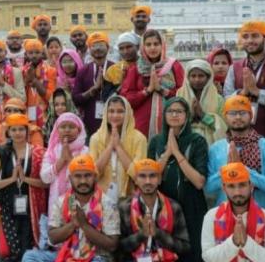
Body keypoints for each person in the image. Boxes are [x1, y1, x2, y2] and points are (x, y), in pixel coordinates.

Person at [22, 155, 120, 262]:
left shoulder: (107, 203)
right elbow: (52, 238)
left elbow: (112, 245)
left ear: (95, 177)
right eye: (77, 176)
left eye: (88, 175)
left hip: (95, 257)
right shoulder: (63, 201)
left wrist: (84, 225)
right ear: (70, 178)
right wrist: (73, 224)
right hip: (66, 254)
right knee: (30, 257)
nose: (83, 181)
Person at [147, 97, 208, 262]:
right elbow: (150, 180)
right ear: (165, 114)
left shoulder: (197, 141)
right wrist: (167, 154)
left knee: (192, 253)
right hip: (163, 207)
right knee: (165, 253)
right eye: (170, 111)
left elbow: (199, 181)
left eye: (179, 111)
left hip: (191, 206)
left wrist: (177, 153)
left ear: (187, 115)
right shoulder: (156, 142)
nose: (174, 115)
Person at [205, 95, 265, 214]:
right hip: (225, 216)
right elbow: (208, 188)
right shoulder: (216, 148)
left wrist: (244, 170)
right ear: (225, 117)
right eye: (232, 113)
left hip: (260, 215)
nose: (238, 117)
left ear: (251, 116)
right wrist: (226, 171)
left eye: (243, 113)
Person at [0, 113, 48, 262]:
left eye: (21, 129)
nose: (18, 133)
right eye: (14, 130)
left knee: (27, 250)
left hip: (32, 207)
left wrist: (25, 179)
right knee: (8, 252)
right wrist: (12, 179)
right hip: (8, 205)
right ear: (8, 132)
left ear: (27, 131)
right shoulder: (2, 152)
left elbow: (45, 183)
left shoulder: (38, 152)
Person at [200, 162, 265, 262]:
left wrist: (247, 244)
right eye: (231, 186)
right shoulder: (211, 217)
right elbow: (207, 257)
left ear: (251, 186)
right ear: (224, 188)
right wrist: (233, 243)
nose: (237, 192)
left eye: (242, 185)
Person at [224, 21, 265, 150]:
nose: (250, 40)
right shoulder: (235, 67)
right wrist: (242, 93)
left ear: (264, 38)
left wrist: (257, 92)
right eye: (246, 37)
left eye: (255, 36)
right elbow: (226, 98)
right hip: (240, 137)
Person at [119, 159, 191, 261]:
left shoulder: (174, 207)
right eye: (142, 176)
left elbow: (185, 247)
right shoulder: (124, 207)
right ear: (135, 180)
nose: (148, 181)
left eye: (152, 176)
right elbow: (118, 247)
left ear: (159, 179)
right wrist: (141, 235)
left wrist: (158, 234)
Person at [121, 29, 184, 139]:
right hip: (141, 126)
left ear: (162, 45)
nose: (152, 48)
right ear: (142, 47)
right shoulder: (136, 69)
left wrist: (162, 90)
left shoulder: (173, 66)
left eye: (156, 44)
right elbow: (127, 99)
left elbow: (183, 95)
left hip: (171, 124)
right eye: (148, 44)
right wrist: (148, 90)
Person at [89, 95, 147, 200]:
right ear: (105, 114)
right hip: (101, 199)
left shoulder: (139, 139)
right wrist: (110, 146)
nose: (115, 115)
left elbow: (138, 175)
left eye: (120, 111)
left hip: (129, 199)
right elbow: (92, 175)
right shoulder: (96, 138)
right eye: (111, 111)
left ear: (128, 113)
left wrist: (119, 147)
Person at [40, 112, 88, 208]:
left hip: (79, 200)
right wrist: (61, 160)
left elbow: (87, 178)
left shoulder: (85, 151)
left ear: (79, 130)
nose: (67, 130)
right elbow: (45, 178)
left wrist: (70, 159)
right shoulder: (52, 151)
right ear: (57, 130)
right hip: (56, 202)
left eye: (71, 127)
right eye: (63, 127)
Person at [73, 32, 115, 136]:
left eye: (101, 45)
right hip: (90, 123)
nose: (97, 48)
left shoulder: (116, 69)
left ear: (108, 47)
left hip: (113, 121)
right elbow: (75, 98)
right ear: (89, 49)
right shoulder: (83, 71)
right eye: (94, 46)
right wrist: (93, 90)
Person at [177, 59, 227, 146]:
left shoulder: (218, 99)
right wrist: (191, 116)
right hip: (185, 143)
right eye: (193, 76)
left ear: (208, 78)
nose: (197, 79)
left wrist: (203, 115)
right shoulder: (180, 96)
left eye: (201, 76)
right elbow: (175, 123)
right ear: (187, 78)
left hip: (212, 142)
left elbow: (224, 125)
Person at [23, 39, 57, 128]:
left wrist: (34, 80)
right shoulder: (21, 71)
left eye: (37, 52)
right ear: (26, 54)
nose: (34, 56)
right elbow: (20, 96)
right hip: (27, 114)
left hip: (46, 114)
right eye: (31, 53)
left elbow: (51, 97)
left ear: (42, 54)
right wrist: (26, 81)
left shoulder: (50, 70)